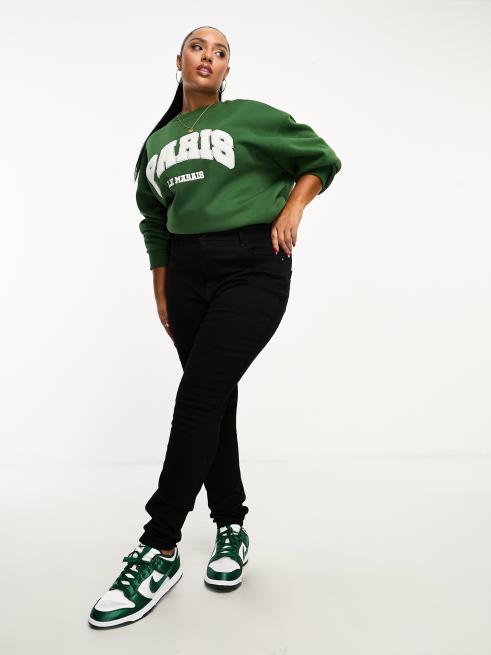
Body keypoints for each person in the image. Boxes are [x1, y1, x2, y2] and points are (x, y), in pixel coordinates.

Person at [88, 24, 341, 629]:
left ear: (228, 69)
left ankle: (160, 545)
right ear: (178, 60)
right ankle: (231, 526)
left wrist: (293, 207)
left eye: (220, 51)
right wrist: (161, 283)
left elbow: (321, 159)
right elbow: (153, 218)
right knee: (214, 397)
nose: (209, 56)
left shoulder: (251, 118)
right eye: (198, 47)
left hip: (253, 265)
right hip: (186, 276)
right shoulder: (157, 143)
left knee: (198, 396)